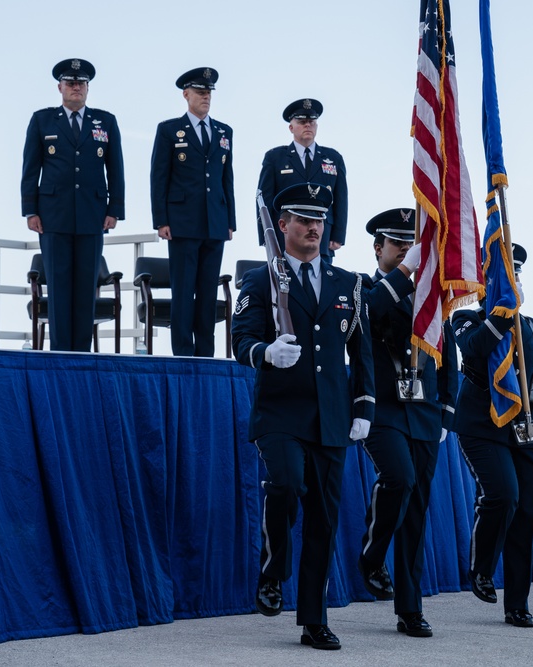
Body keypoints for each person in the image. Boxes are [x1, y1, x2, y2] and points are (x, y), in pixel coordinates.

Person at [231, 183, 375, 651]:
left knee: (323, 520)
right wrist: (266, 352)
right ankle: (274, 570)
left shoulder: (347, 285)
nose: (314, 227)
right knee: (288, 484)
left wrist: (364, 406)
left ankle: (314, 619)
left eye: (319, 220)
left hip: (331, 417)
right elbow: (240, 341)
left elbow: (362, 353)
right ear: (282, 225)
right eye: (303, 219)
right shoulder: (259, 279)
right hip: (281, 413)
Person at [451, 244, 533, 628]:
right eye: (503, 277)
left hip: (526, 429)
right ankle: (482, 568)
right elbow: (473, 350)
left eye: (515, 277)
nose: (511, 283)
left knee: (527, 514)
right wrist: (500, 315)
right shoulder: (466, 318)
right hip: (482, 426)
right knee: (504, 495)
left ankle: (517, 604)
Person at [356, 208, 458, 638]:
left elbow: (446, 351)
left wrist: (447, 411)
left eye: (412, 245)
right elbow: (367, 312)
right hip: (382, 406)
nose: (405, 252)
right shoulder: (361, 286)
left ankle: (410, 609)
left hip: (423, 409)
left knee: (416, 511)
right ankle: (373, 554)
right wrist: (407, 270)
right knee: (399, 478)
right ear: (378, 247)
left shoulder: (430, 295)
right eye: (397, 245)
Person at [21, 58, 125, 352]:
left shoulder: (105, 122)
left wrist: (114, 209)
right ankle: (60, 353)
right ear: (60, 87)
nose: (76, 87)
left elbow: (115, 169)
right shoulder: (42, 120)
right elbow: (31, 168)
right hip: (53, 216)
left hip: (93, 215)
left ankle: (81, 352)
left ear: (88, 88)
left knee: (85, 289)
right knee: (59, 286)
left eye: (81, 83)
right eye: (70, 83)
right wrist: (31, 210)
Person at [150, 67, 235, 357]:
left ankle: (206, 353)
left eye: (209, 92)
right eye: (200, 91)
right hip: (182, 223)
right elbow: (159, 177)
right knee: (184, 292)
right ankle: (184, 353)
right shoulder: (169, 130)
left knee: (208, 292)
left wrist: (230, 221)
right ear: (186, 94)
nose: (205, 97)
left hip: (215, 223)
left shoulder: (224, 132)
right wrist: (161, 220)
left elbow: (227, 179)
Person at [256, 98, 347, 261]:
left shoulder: (333, 158)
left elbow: (341, 199)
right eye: (302, 121)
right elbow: (264, 199)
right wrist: (266, 236)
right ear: (291, 127)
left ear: (317, 126)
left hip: (322, 236)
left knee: (321, 283)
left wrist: (339, 235)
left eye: (312, 122)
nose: (307, 125)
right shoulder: (275, 158)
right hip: (285, 236)